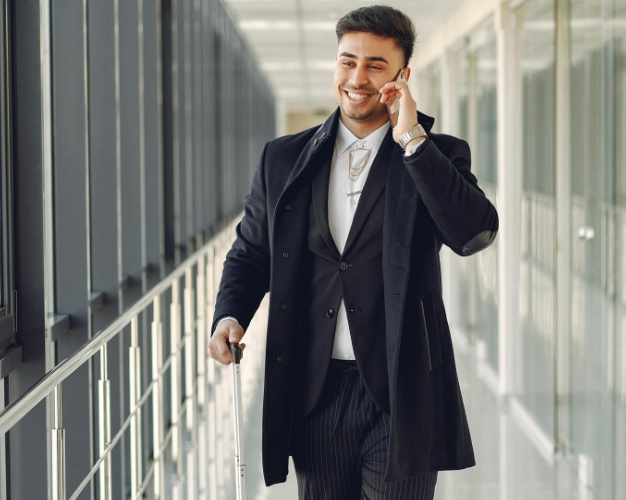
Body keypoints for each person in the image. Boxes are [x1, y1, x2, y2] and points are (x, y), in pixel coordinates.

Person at [208, 5, 498, 499]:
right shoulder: (283, 158)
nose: (357, 77)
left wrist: (411, 138)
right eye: (347, 61)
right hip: (314, 387)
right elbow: (252, 251)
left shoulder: (436, 154)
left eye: (375, 65)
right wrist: (229, 314)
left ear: (402, 76)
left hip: (401, 390)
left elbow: (473, 234)